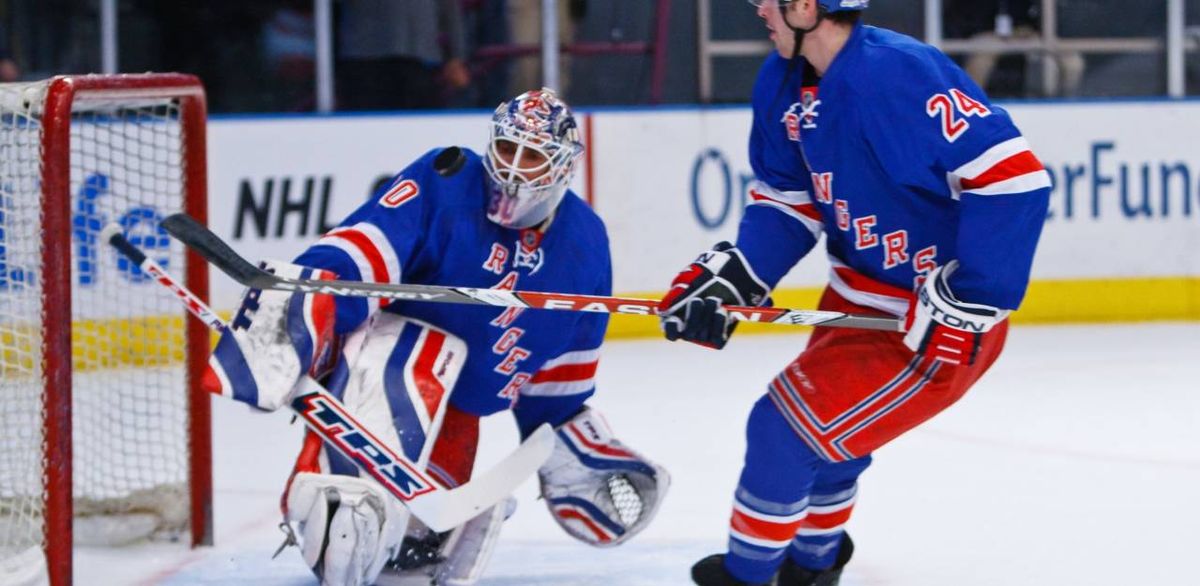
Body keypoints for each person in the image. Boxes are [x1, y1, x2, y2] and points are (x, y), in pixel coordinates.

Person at [205, 88, 669, 585]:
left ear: (563, 167)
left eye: (532, 156)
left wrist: (572, 437)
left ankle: (399, 533)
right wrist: (300, 310)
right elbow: (366, 247)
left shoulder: (586, 244)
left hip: (458, 413)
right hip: (383, 367)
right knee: (347, 517)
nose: (513, 169)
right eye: (507, 149)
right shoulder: (448, 180)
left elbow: (560, 368)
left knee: (414, 550)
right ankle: (336, 492)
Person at [656, 1, 1050, 585]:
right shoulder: (781, 79)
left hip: (934, 324)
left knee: (781, 431)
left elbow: (1015, 180)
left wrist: (971, 296)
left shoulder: (899, 73)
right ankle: (813, 568)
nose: (758, 8)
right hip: (855, 300)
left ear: (806, 6)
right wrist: (740, 274)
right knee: (829, 444)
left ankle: (748, 577)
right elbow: (789, 199)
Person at [337, 0, 472, 110]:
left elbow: (450, 8)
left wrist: (456, 56)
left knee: (419, 130)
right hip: (364, 57)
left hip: (418, 58)